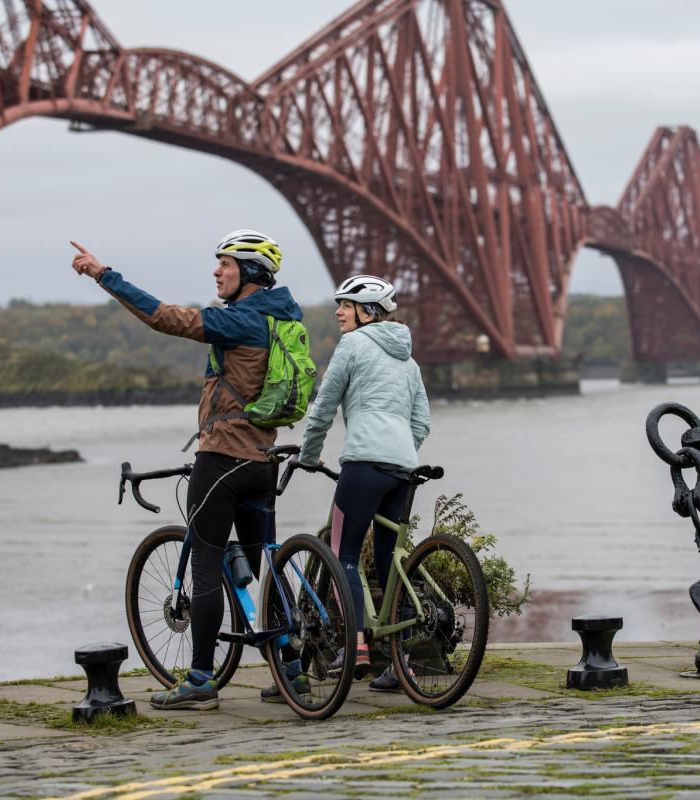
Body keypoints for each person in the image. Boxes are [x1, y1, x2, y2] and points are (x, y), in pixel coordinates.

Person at [70, 229, 302, 709]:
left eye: (226, 265)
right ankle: (293, 672)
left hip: (220, 460)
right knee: (268, 565)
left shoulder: (239, 320)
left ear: (251, 273)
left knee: (205, 567)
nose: (216, 271)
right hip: (263, 461)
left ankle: (200, 679)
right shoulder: (283, 320)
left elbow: (162, 317)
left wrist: (102, 274)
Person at [298, 274, 430, 692]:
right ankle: (401, 663)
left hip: (363, 464)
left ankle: (354, 647)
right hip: (404, 469)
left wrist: (306, 454)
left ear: (367, 312)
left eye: (346, 305)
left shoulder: (352, 346)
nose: (338, 311)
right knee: (395, 564)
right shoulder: (409, 362)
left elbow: (323, 406)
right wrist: (400, 452)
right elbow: (421, 422)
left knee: (344, 555)